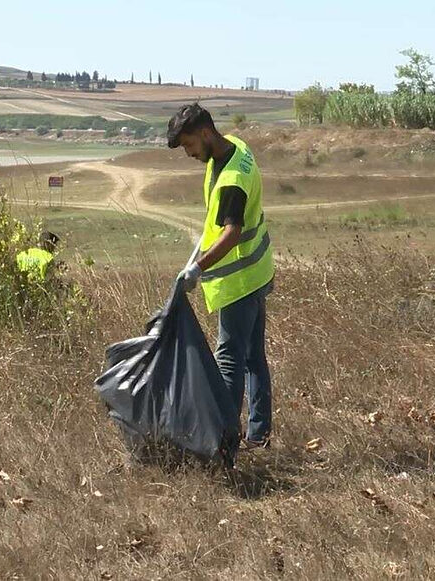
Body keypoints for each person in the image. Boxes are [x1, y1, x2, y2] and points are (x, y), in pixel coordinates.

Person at [169, 103, 275, 456]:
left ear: (204, 133)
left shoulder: (231, 180)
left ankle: (224, 445)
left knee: (229, 360)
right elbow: (217, 223)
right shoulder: (233, 148)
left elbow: (230, 233)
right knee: (253, 357)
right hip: (257, 270)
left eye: (188, 146)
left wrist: (198, 268)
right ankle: (258, 436)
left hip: (240, 280)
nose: (189, 154)